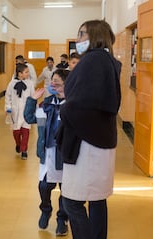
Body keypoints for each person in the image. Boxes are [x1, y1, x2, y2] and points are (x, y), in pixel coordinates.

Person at [56, 20, 122, 239]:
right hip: (100, 138)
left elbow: (81, 103)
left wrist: (65, 109)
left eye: (82, 34)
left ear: (96, 35)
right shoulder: (106, 60)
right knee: (96, 198)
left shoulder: (93, 61)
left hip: (87, 142)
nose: (78, 39)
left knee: (72, 202)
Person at [24, 69, 70, 236]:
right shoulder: (47, 104)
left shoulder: (73, 106)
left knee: (66, 190)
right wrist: (32, 100)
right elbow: (29, 118)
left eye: (57, 82)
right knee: (44, 186)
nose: (52, 85)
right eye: (52, 82)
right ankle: (46, 210)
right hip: (47, 155)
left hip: (66, 156)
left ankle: (62, 219)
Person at [5, 63, 35, 160]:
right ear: (20, 73)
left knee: (26, 131)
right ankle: (18, 144)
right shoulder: (12, 83)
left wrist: (32, 109)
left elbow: (33, 96)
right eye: (26, 72)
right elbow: (8, 96)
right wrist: (8, 107)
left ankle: (24, 150)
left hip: (26, 111)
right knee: (16, 132)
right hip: (15, 111)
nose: (28, 74)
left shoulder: (30, 83)